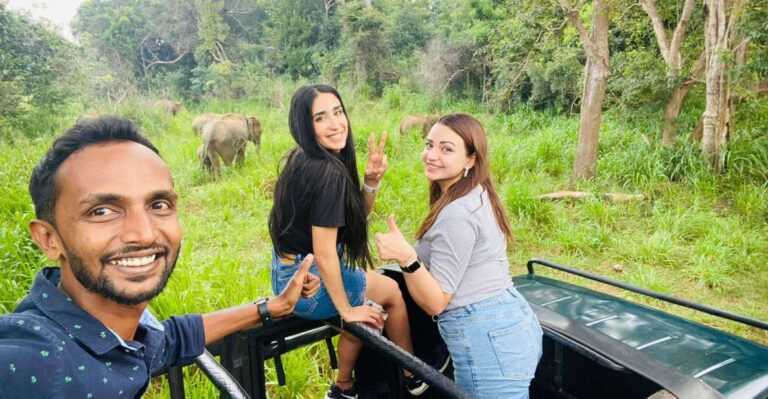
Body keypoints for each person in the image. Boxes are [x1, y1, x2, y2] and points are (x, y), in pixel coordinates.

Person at [0, 116, 320, 398]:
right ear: (48, 238)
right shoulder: (31, 361)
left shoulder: (109, 328)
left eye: (158, 205)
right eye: (102, 211)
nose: (144, 234)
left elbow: (167, 341)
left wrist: (271, 307)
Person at [269, 84, 427, 398]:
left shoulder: (303, 158)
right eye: (320, 118)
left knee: (367, 305)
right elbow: (326, 252)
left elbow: (348, 223)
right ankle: (412, 376)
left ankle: (345, 387)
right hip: (310, 283)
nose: (335, 124)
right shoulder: (328, 172)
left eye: (338, 112)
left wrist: (370, 183)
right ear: (304, 124)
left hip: (290, 276)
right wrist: (346, 309)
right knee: (390, 296)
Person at [375, 114, 543, 398]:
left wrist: (406, 258)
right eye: (430, 145)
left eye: (447, 149)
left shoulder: (458, 213)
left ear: (471, 160)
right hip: (511, 323)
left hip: (486, 338)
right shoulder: (477, 192)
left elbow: (436, 302)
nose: (432, 155)